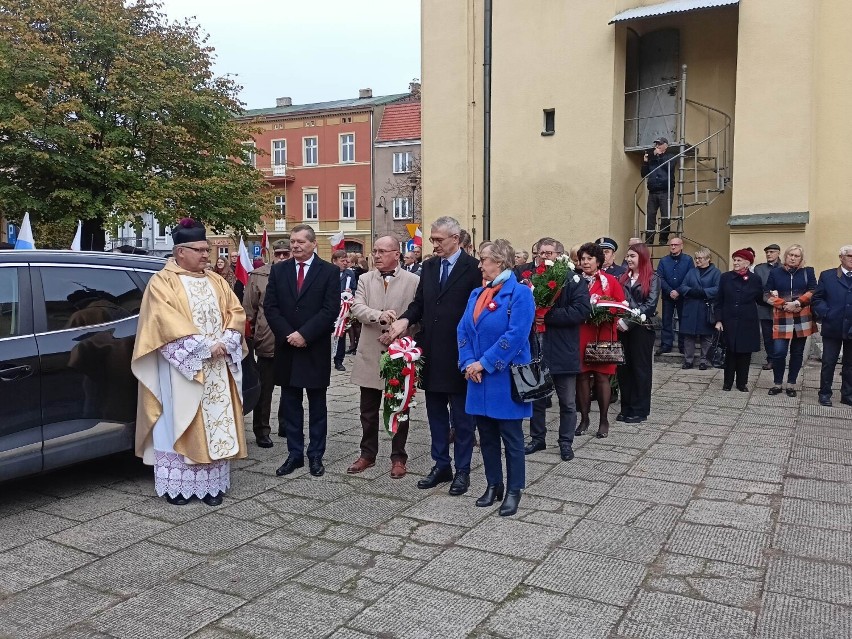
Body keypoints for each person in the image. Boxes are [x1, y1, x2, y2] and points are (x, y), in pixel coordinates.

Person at [131, 219, 247, 507]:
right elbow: (163, 322)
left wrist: (229, 339)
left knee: (217, 422)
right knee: (179, 419)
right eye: (199, 250)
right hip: (182, 368)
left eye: (207, 250)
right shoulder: (162, 282)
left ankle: (212, 487)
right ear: (180, 252)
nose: (207, 255)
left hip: (218, 367)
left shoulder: (217, 281)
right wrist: (205, 347)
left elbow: (236, 311)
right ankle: (176, 487)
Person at [388, 216, 482, 495]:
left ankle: (462, 470)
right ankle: (441, 464)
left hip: (460, 354)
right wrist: (404, 321)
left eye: (439, 239)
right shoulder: (429, 267)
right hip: (432, 352)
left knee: (463, 419)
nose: (434, 244)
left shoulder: (473, 268)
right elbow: (420, 304)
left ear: (456, 238)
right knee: (436, 414)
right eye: (432, 239)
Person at [458, 239, 535, 516]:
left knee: (511, 438)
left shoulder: (520, 294)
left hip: (504, 377)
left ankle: (515, 490)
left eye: (484, 259)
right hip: (477, 378)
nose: (480, 265)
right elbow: (463, 330)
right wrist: (468, 362)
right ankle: (494, 485)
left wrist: (484, 364)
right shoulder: (477, 293)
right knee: (487, 436)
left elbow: (515, 335)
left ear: (500, 262)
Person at [264, 224, 340, 478]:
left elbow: (330, 310)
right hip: (287, 348)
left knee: (317, 405)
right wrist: (289, 335)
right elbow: (271, 307)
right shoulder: (279, 270)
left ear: (313, 244)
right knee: (290, 403)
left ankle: (316, 455)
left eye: (300, 242)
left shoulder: (328, 271)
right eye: (292, 241)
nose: (295, 246)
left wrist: (305, 334)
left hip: (314, 347)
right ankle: (294, 454)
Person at [346, 236, 421, 478]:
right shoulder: (365, 279)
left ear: (396, 254)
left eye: (382, 251)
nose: (376, 255)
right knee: (367, 410)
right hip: (370, 352)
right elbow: (357, 308)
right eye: (374, 251)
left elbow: (418, 313)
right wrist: (379, 316)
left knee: (399, 407)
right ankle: (367, 454)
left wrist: (399, 332)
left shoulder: (414, 281)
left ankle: (399, 456)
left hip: (400, 354)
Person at [524, 244, 590, 460]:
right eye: (541, 253)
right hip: (537, 347)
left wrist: (548, 315)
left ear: (559, 256)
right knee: (536, 399)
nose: (544, 257)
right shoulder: (532, 278)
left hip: (563, 349)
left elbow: (582, 311)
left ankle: (565, 441)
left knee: (567, 402)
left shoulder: (573, 279)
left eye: (549, 253)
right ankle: (537, 438)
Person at [242, 239, 290, 448]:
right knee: (264, 389)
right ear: (271, 254)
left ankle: (286, 424)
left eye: (285, 254)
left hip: (292, 340)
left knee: (290, 388)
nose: (281, 257)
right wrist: (250, 338)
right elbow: (248, 311)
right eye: (278, 254)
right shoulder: (259, 275)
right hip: (266, 338)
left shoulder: (298, 275)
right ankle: (261, 430)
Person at [576, 242, 625, 438]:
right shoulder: (575, 281)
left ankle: (604, 420)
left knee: (602, 378)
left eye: (589, 258)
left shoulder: (610, 281)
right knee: (581, 377)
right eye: (583, 259)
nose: (585, 262)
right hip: (581, 334)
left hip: (602, 334)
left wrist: (604, 311)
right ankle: (584, 418)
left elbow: (621, 306)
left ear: (598, 261)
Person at [765, 244, 817, 397]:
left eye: (796, 256)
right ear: (785, 256)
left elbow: (814, 290)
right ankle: (777, 383)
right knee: (779, 352)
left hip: (802, 317)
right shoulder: (775, 272)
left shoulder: (808, 272)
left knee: (797, 352)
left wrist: (798, 303)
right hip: (782, 317)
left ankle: (791, 384)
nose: (793, 258)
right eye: (790, 255)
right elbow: (766, 294)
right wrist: (783, 305)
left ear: (801, 258)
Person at [617, 243, 660, 423]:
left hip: (642, 329)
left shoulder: (653, 278)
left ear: (642, 258)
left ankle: (639, 409)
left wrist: (629, 321)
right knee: (624, 369)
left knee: (640, 369)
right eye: (628, 256)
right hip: (622, 329)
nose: (629, 259)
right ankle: (626, 406)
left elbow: (650, 306)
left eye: (632, 256)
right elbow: (618, 300)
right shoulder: (623, 278)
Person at [714, 248, 763, 391]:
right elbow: (719, 301)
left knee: (744, 353)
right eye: (734, 260)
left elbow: (760, 299)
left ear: (747, 263)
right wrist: (718, 320)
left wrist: (772, 298)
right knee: (730, 352)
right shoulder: (725, 277)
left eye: (738, 260)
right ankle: (727, 382)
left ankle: (742, 383)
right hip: (729, 320)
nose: (735, 263)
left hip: (747, 321)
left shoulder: (755, 279)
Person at [812, 245, 852, 407]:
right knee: (829, 362)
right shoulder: (828, 276)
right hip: (833, 326)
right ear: (841, 257)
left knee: (850, 364)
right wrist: (826, 313)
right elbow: (817, 299)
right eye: (850, 256)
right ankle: (825, 393)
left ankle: (847, 395)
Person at [678, 248, 721, 370]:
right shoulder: (691, 272)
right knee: (689, 336)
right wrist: (691, 291)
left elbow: (718, 289)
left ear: (708, 259)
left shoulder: (716, 272)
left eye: (700, 258)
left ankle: (704, 360)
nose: (697, 260)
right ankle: (688, 360)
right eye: (696, 258)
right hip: (691, 307)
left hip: (706, 308)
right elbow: (682, 286)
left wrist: (703, 292)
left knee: (706, 336)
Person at [656, 237, 694, 355]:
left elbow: (690, 277)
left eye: (676, 245)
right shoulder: (663, 260)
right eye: (671, 245)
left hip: (683, 295)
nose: (673, 247)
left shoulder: (688, 260)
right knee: (667, 321)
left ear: (681, 246)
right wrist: (670, 291)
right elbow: (660, 278)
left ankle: (683, 346)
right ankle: (666, 344)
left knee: (684, 320)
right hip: (668, 296)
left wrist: (678, 291)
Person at [642, 136, 676, 245]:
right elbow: (644, 174)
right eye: (656, 144)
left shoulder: (670, 156)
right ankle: (649, 239)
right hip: (652, 192)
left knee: (665, 216)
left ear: (665, 146)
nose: (657, 146)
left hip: (666, 191)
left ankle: (663, 238)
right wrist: (646, 162)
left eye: (659, 144)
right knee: (650, 216)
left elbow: (668, 167)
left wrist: (660, 156)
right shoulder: (652, 158)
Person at [754, 243, 782, 370]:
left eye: (771, 252)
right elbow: (757, 288)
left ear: (778, 253)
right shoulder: (759, 269)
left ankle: (779, 359)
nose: (769, 254)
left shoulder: (785, 267)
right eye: (767, 252)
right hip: (764, 307)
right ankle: (770, 359)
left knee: (780, 336)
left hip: (781, 308)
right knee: (767, 336)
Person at [331, 250, 356, 371]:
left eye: (346, 261)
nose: (345, 263)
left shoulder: (350, 274)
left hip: (344, 309)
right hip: (330, 308)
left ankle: (339, 361)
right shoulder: (329, 272)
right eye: (342, 261)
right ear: (334, 261)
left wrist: (351, 294)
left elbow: (355, 288)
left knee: (341, 334)